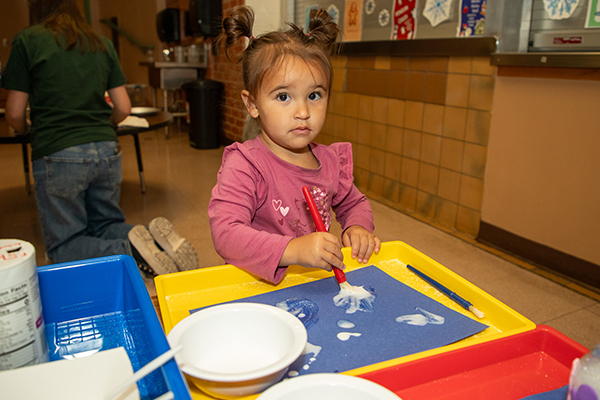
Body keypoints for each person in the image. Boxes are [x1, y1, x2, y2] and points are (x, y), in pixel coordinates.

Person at [3, 0, 197, 275]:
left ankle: (132, 251)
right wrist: (101, 125)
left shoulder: (28, 40)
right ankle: (155, 241)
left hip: (59, 150)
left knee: (64, 244)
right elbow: (123, 108)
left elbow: (13, 112)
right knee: (104, 223)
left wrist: (24, 128)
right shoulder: (100, 43)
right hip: (106, 148)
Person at [208, 6, 381, 284]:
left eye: (314, 95)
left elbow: (353, 202)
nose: (303, 111)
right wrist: (292, 249)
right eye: (284, 97)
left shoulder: (329, 160)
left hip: (313, 283)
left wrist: (358, 226)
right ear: (252, 104)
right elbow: (225, 233)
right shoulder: (246, 165)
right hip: (258, 287)